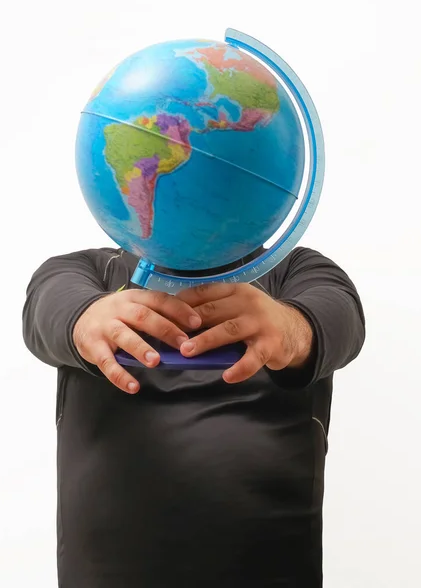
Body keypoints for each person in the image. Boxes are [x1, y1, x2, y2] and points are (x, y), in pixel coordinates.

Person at [22, 244, 365, 587]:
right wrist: (85, 320)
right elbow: (48, 307)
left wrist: (289, 329)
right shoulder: (87, 272)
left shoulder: (296, 270)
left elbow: (340, 317)